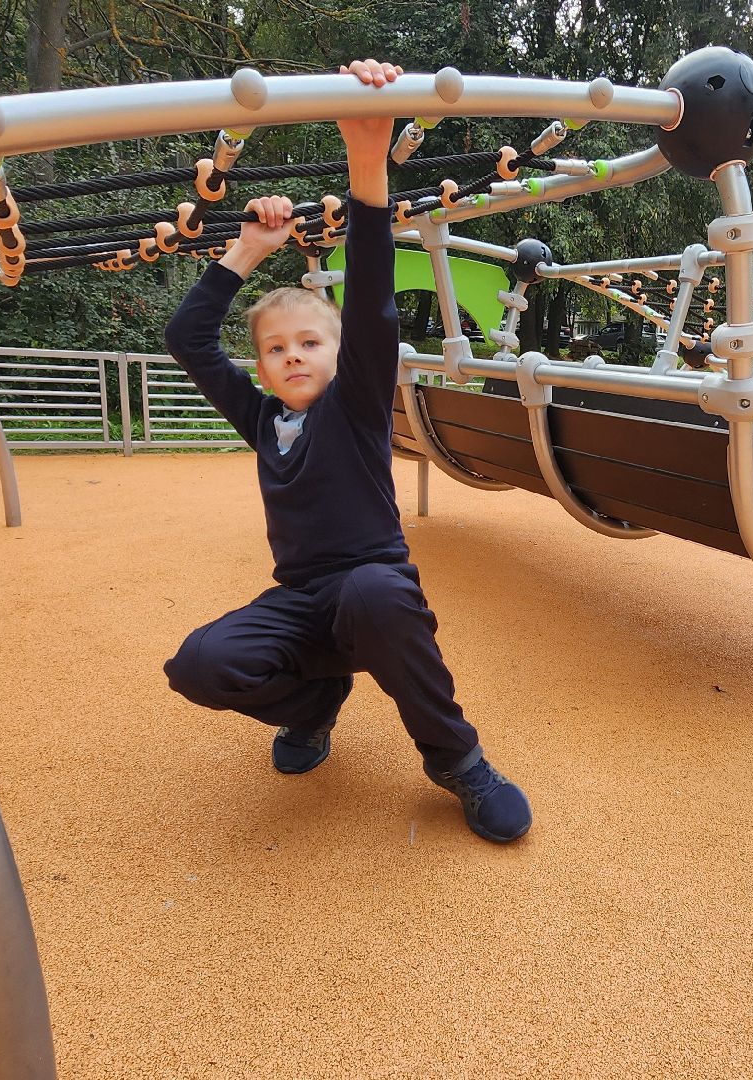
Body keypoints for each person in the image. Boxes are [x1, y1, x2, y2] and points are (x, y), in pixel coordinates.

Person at [160, 59, 532, 844]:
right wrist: (249, 251)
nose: (292, 357)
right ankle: (315, 705)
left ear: (336, 354)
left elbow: (371, 307)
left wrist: (367, 159)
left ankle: (457, 760)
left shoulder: (356, 402)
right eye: (275, 349)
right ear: (261, 366)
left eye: (309, 342)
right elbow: (187, 340)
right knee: (199, 664)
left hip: (375, 589)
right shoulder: (263, 420)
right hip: (300, 602)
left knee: (373, 596)